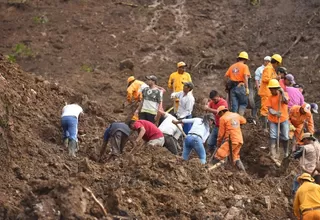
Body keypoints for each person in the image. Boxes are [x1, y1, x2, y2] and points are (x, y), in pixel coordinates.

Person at [211, 106, 247, 171]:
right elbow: (244, 121)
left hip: (231, 140)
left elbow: (221, 134)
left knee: (219, 154)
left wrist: (218, 143)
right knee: (235, 157)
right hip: (239, 140)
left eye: (219, 114)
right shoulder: (235, 115)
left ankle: (210, 169)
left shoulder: (223, 118)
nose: (218, 116)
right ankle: (243, 173)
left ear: (222, 112)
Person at [266, 79, 290, 158]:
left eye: (273, 89)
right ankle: (273, 152)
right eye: (270, 89)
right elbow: (269, 109)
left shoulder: (284, 95)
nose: (271, 91)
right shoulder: (270, 98)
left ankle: (286, 152)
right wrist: (276, 113)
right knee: (273, 135)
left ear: (277, 88)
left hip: (283, 119)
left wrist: (282, 93)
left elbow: (286, 102)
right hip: (272, 120)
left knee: (285, 136)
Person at [258, 54, 282, 132]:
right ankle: (264, 128)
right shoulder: (268, 68)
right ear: (276, 62)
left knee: (268, 109)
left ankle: (266, 127)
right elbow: (265, 79)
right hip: (265, 91)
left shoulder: (272, 69)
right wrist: (275, 78)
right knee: (264, 109)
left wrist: (277, 78)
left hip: (269, 92)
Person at [225, 51, 251, 116]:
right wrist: (247, 88)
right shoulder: (245, 66)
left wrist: (227, 86)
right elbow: (246, 77)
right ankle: (240, 117)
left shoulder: (232, 66)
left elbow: (225, 77)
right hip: (241, 86)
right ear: (245, 59)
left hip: (232, 88)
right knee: (243, 103)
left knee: (234, 106)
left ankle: (234, 120)